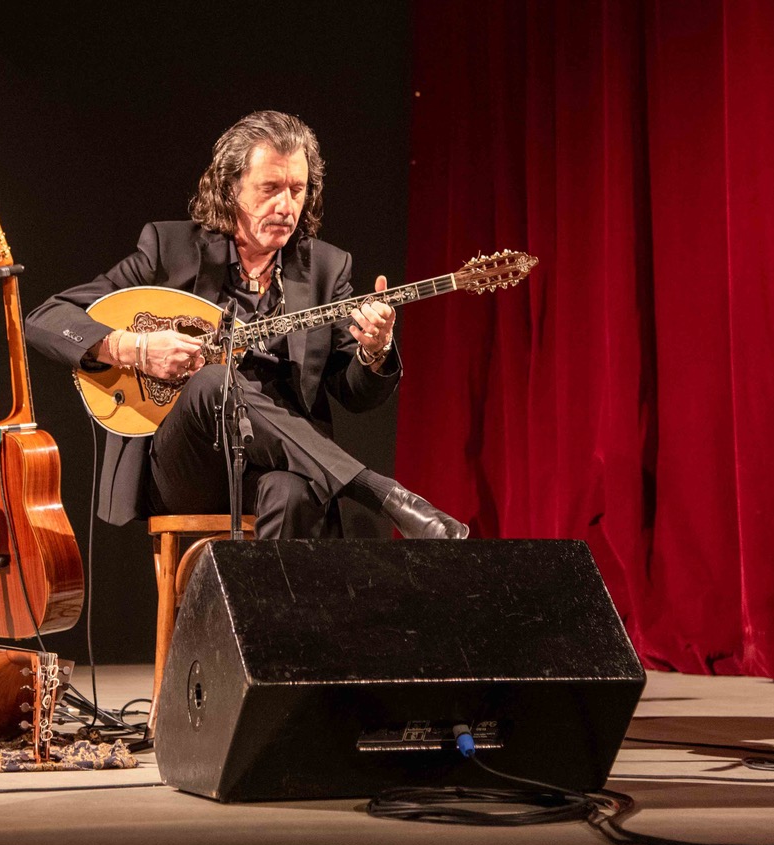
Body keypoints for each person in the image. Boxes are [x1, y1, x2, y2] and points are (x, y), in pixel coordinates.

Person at [25, 110, 467, 540]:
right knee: (213, 380)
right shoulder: (171, 249)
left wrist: (374, 350)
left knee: (294, 495)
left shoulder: (326, 269)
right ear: (229, 188)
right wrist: (135, 349)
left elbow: (352, 392)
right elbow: (47, 318)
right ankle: (381, 494)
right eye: (270, 188)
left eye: (297, 190)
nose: (286, 206)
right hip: (187, 464)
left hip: (276, 464)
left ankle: (263, 598)